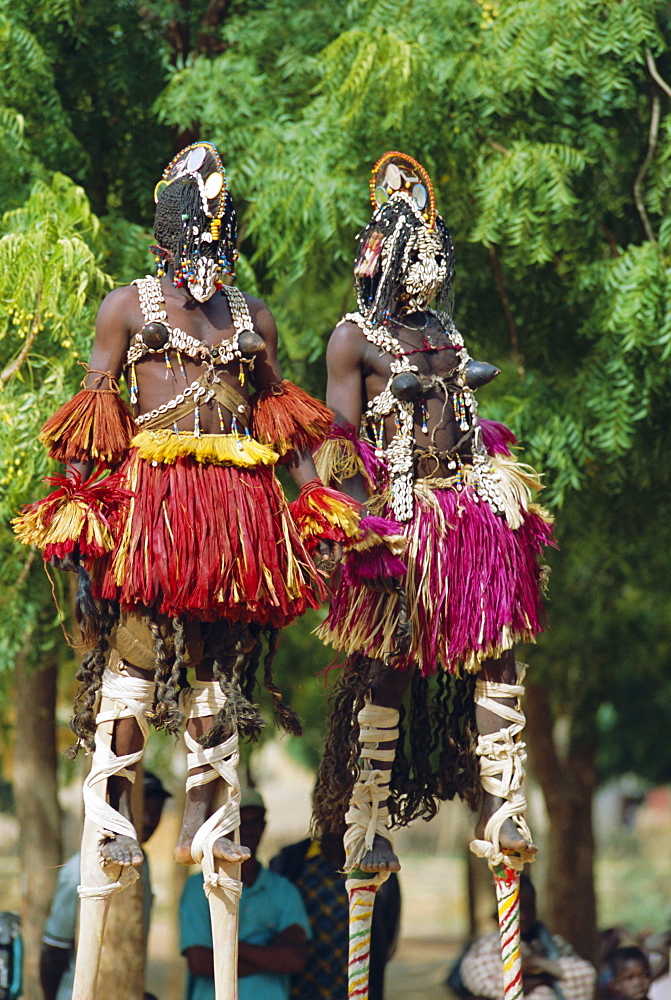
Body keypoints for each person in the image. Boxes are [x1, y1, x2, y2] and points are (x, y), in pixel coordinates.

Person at [14, 141, 356, 997]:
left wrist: (314, 508)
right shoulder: (127, 307)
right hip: (155, 530)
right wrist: (80, 512)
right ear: (167, 225)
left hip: (235, 540)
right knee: (128, 687)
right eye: (198, 214)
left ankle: (213, 835)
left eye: (222, 216)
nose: (212, 229)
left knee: (218, 701)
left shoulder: (253, 318)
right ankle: (109, 844)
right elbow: (94, 410)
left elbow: (283, 423)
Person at [312, 150, 555, 877]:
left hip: (468, 508)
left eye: (437, 258)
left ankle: (503, 807)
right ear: (383, 256)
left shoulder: (446, 331)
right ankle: (367, 819)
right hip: (406, 517)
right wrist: (360, 528)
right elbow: (339, 441)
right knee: (389, 666)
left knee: (499, 651)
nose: (430, 272)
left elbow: (469, 415)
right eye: (417, 257)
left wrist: (499, 489)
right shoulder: (353, 337)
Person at [40, 770, 170, 1000]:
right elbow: (53, 951)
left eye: (156, 810)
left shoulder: (143, 863)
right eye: (143, 809)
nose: (149, 819)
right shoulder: (80, 869)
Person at [180, 788, 310, 1000]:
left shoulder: (283, 890)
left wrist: (224, 948)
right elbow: (199, 962)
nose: (247, 831)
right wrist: (269, 955)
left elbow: (294, 960)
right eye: (240, 824)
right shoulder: (199, 887)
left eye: (254, 822)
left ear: (264, 827)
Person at [270, 822, 401, 1000]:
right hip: (299, 986)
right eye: (335, 806)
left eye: (347, 807)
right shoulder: (291, 859)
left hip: (356, 984)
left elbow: (389, 926)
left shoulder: (377, 862)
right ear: (320, 808)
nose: (341, 817)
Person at [458, 874, 596, 1000]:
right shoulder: (488, 946)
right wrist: (543, 978)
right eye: (517, 910)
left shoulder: (552, 943)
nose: (523, 917)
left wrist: (536, 962)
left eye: (528, 909)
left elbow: (585, 974)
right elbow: (490, 986)